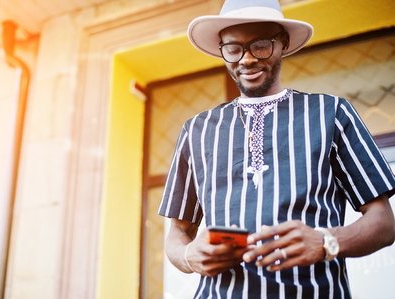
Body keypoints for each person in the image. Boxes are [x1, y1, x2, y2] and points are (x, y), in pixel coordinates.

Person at [157, 0, 395, 298]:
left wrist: (325, 241)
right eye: (233, 49)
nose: (245, 59)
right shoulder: (197, 129)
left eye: (260, 46)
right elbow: (177, 235)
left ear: (282, 43)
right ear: (222, 49)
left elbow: (384, 223)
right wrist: (189, 256)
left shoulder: (331, 113)